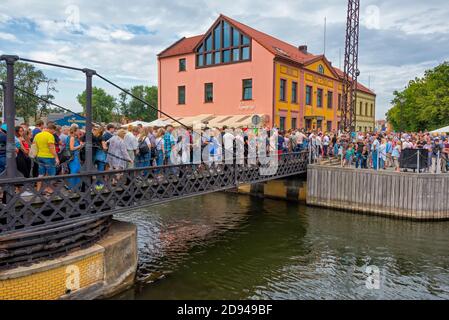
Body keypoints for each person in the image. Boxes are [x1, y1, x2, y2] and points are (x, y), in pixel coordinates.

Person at [33, 123, 59, 194]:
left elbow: (34, 146)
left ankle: (38, 189)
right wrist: (56, 158)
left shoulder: (37, 135)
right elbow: (52, 148)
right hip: (49, 157)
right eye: (53, 131)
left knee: (41, 174)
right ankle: (49, 189)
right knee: (51, 174)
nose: (54, 132)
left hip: (39, 156)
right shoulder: (50, 136)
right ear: (51, 129)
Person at [67, 126, 83, 190]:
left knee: (76, 171)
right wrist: (80, 145)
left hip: (75, 156)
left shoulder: (72, 137)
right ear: (74, 131)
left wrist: (80, 146)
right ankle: (73, 187)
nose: (78, 132)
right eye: (77, 131)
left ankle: (75, 187)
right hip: (74, 157)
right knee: (74, 171)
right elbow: (72, 148)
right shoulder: (72, 138)